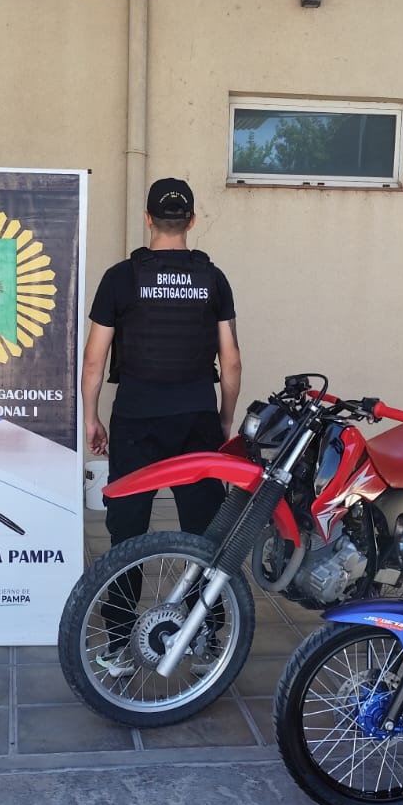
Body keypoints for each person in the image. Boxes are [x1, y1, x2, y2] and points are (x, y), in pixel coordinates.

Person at [81, 177, 242, 548]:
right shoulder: (213, 279)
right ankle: (203, 589)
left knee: (128, 526)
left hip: (136, 416)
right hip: (197, 415)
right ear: (192, 221)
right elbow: (232, 363)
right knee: (203, 528)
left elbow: (93, 362)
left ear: (148, 218)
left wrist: (91, 419)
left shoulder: (120, 278)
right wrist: (224, 420)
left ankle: (123, 589)